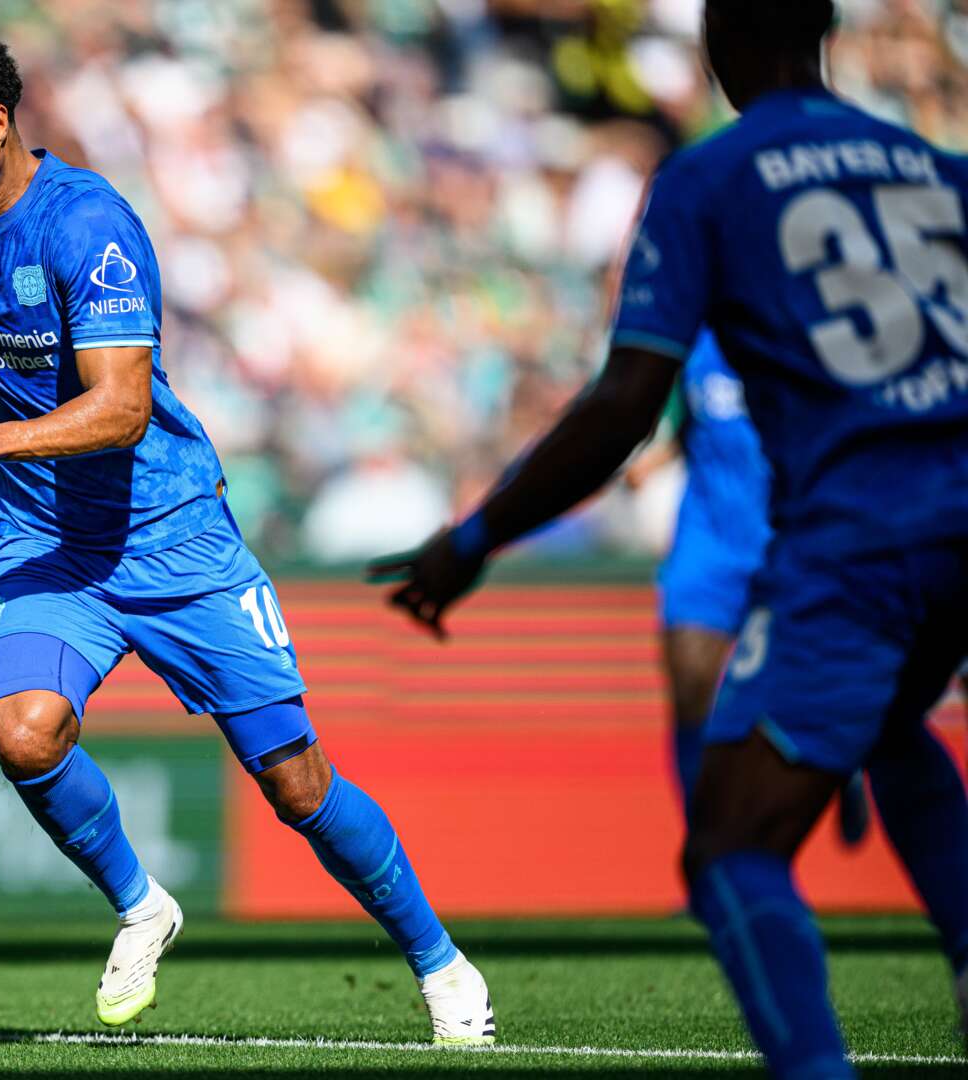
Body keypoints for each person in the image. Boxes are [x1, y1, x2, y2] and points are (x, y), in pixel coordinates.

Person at [0, 24, 495, 1041]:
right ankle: (141, 904)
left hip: (172, 536)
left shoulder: (88, 226)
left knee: (297, 785)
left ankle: (440, 963)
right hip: (44, 541)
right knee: (24, 733)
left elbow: (121, 408)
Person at [368, 2, 968, 1073]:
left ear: (721, 41)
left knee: (731, 850)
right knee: (890, 720)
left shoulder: (710, 178)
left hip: (862, 533)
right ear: (824, 29)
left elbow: (623, 405)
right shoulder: (933, 166)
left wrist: (477, 536)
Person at [627, 331, 870, 844]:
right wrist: (655, 459)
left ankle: (843, 763)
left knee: (803, 686)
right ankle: (706, 841)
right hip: (709, 542)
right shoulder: (693, 339)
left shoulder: (803, 329)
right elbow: (688, 419)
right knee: (690, 682)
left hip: (789, 537)